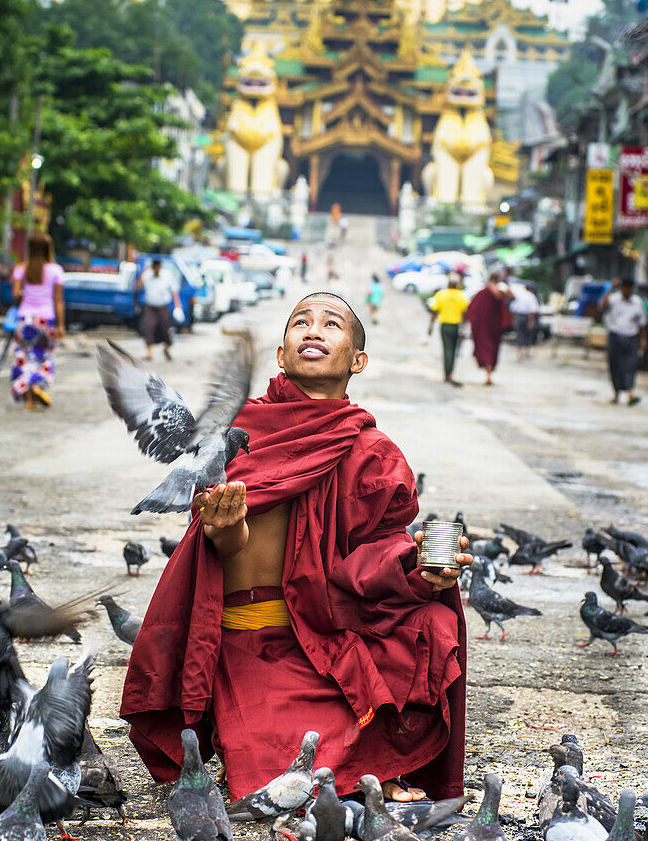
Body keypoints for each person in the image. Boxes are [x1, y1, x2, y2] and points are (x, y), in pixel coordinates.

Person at [122, 292, 472, 805]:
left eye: (332, 324)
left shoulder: (371, 451)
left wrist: (418, 568)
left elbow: (371, 558)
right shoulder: (242, 432)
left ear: (358, 361)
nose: (313, 330)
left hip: (325, 635)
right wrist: (225, 527)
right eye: (300, 323)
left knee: (432, 626)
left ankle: (373, 760)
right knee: (278, 774)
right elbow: (229, 550)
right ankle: (352, 763)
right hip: (252, 642)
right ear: (282, 354)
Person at [10, 232, 65, 410]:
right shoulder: (56, 270)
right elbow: (58, 300)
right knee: (43, 357)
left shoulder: (21, 269)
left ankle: (28, 399)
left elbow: (16, 295)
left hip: (25, 318)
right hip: (45, 319)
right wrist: (61, 325)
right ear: (49, 248)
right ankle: (36, 385)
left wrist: (25, 298)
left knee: (23, 356)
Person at [598, 276, 647, 405]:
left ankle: (631, 393)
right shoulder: (613, 299)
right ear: (621, 288)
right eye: (625, 288)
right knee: (615, 365)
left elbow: (642, 323)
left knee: (630, 365)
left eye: (630, 289)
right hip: (615, 335)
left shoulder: (637, 302)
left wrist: (643, 339)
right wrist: (611, 288)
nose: (628, 291)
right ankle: (617, 393)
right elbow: (601, 306)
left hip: (631, 336)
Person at [466, 271, 513, 385]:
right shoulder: (489, 292)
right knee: (490, 349)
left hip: (490, 326)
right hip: (491, 326)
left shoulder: (491, 292)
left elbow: (471, 310)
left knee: (488, 348)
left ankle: (488, 373)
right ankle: (489, 373)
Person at [427, 273, 469, 385]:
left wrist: (430, 326)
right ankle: (450, 373)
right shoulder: (461, 296)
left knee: (447, 350)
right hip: (455, 326)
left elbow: (434, 311)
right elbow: (465, 314)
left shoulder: (441, 295)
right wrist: (465, 329)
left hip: (445, 326)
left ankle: (447, 373)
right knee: (453, 350)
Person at [137, 258, 182, 362]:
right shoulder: (147, 275)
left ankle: (167, 348)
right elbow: (138, 287)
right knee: (148, 327)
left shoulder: (167, 275)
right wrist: (142, 272)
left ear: (160, 267)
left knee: (165, 328)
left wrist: (178, 306)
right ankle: (149, 353)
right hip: (150, 306)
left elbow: (174, 291)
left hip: (163, 306)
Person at [510, 281, 541, 361]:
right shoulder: (531, 296)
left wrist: (514, 319)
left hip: (518, 316)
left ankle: (519, 352)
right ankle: (525, 352)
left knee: (519, 334)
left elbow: (513, 308)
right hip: (527, 317)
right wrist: (531, 321)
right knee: (527, 334)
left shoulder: (519, 295)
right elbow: (533, 310)